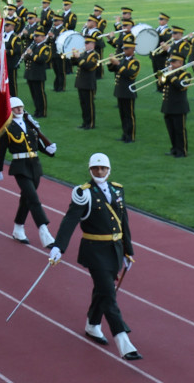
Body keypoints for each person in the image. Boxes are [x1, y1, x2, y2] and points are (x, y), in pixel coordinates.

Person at [48, 153, 141, 362]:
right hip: (95, 251)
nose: (99, 172)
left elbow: (123, 221)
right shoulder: (83, 193)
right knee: (109, 294)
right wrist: (58, 247)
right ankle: (123, 341)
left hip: (115, 251)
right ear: (90, 170)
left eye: (103, 169)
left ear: (109, 170)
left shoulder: (118, 189)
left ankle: (92, 324)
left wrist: (129, 251)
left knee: (102, 290)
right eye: (95, 169)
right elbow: (70, 220)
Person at [0, 97, 57, 248]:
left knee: (27, 199)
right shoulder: (7, 128)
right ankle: (44, 231)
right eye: (15, 108)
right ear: (10, 110)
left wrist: (48, 150)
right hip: (20, 167)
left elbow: (36, 142)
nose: (19, 110)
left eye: (21, 107)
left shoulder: (29, 123)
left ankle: (18, 228)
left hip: (35, 165)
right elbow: (1, 150)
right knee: (34, 199)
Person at [106, 35, 140, 142]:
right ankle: (125, 134)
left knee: (129, 115)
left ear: (132, 49)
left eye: (126, 49)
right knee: (122, 115)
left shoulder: (134, 62)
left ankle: (131, 136)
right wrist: (111, 63)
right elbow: (112, 70)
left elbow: (129, 74)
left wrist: (118, 64)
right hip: (120, 90)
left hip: (128, 91)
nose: (124, 50)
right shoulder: (122, 59)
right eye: (123, 48)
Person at [158, 53, 192, 157]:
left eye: (173, 62)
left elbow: (181, 86)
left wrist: (171, 76)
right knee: (171, 129)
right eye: (170, 62)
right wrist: (161, 78)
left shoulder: (185, 75)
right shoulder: (169, 74)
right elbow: (161, 86)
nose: (170, 64)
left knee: (179, 130)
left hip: (179, 107)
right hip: (168, 106)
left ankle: (182, 151)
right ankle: (174, 148)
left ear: (180, 63)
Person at [74, 35, 99, 129]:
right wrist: (74, 56)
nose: (85, 44)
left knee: (89, 105)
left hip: (88, 83)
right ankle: (85, 122)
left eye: (87, 43)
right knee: (83, 104)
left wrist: (78, 58)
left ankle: (91, 123)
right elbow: (76, 63)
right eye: (85, 43)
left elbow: (88, 66)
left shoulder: (94, 55)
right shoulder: (84, 53)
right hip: (81, 82)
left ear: (93, 44)